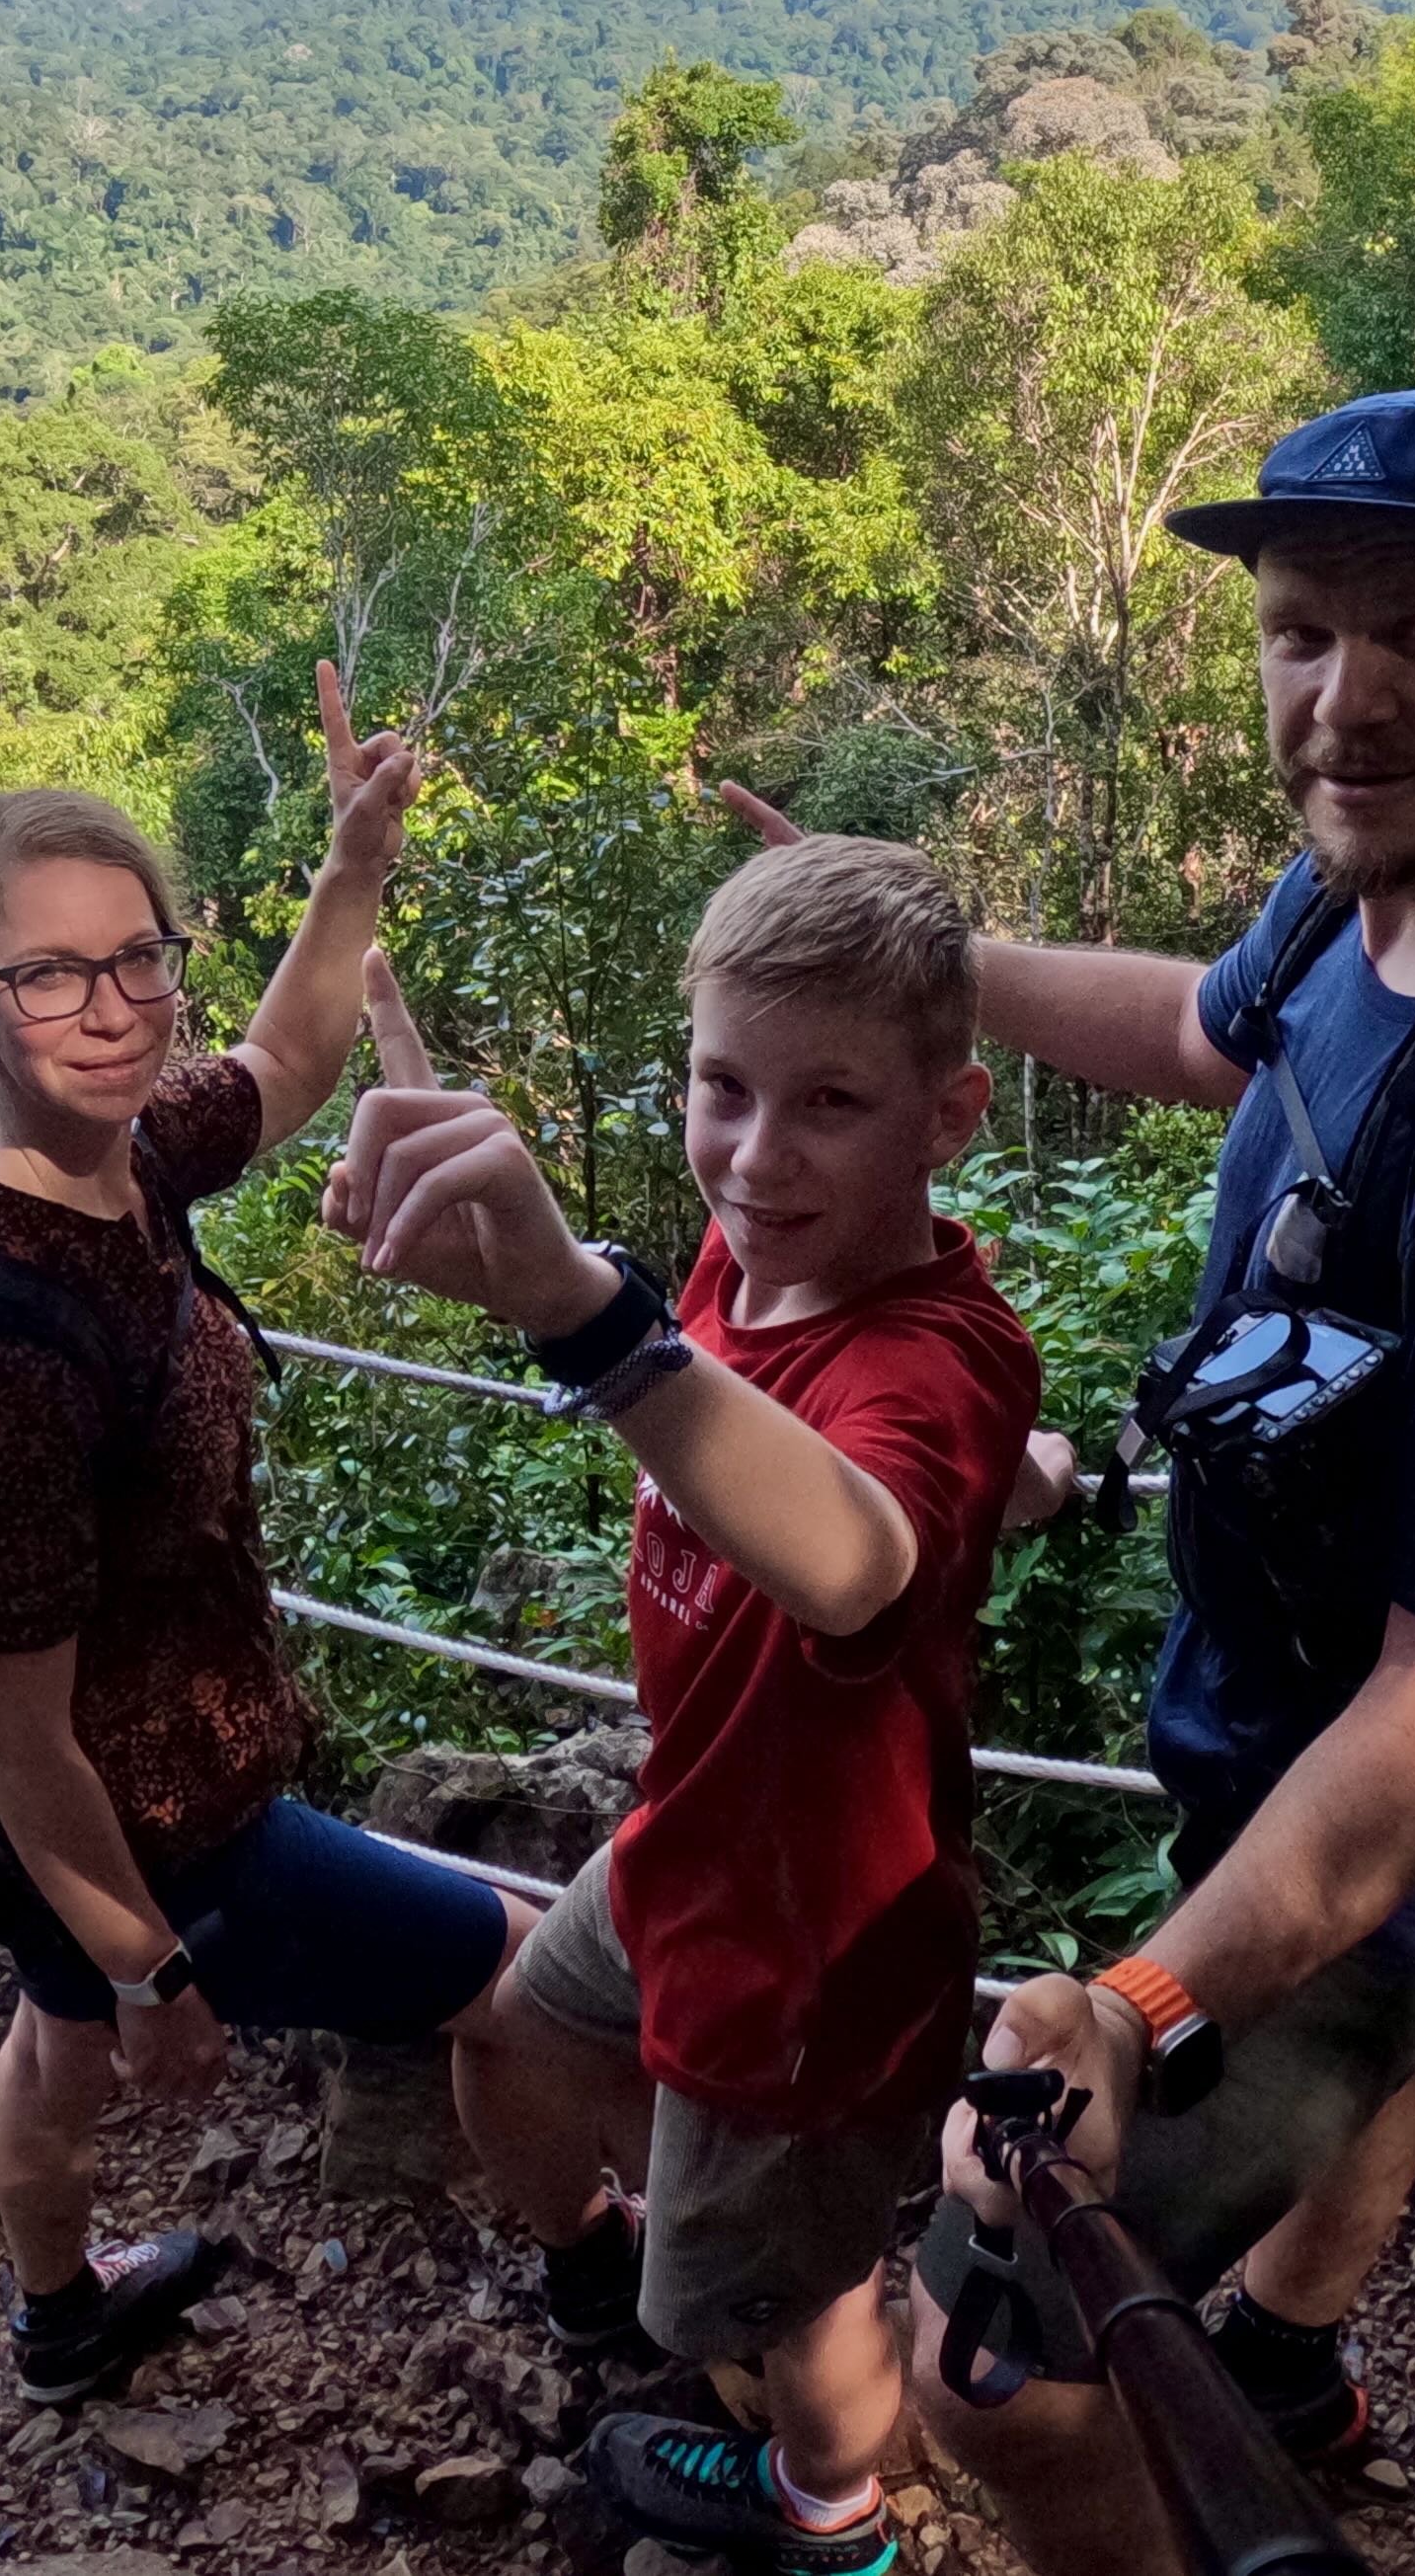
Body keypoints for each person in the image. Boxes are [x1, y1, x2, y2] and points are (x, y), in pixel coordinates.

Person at [740, 392, 1415, 2574]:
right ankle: (1288, 2353)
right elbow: (1214, 1035)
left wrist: (1143, 2004)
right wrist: (909, 968)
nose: (1344, 699)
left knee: (999, 2352)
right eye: (1300, 635)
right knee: (1350, 2046)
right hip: (1287, 1677)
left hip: (1413, 1777)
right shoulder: (1354, 889)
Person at [322, 839, 1042, 2576]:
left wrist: (581, 1312)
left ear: (947, 1118)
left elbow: (857, 1552)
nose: (756, 1154)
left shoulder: (919, 1357)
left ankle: (829, 2514)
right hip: (687, 1852)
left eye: (829, 1105)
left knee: (800, 2309)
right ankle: (620, 2267)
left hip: (805, 1940)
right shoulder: (748, 1270)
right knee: (504, 2020)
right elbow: (834, 1446)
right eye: (724, 1088)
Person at [0, 665, 557, 2407]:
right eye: (47, 973)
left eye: (136, 959)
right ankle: (614, 2277)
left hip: (82, 1840)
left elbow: (289, 1057)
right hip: (170, 1845)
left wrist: (352, 865)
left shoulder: (127, 1161)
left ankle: (55, 2314)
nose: (110, 1010)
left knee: (50, 2040)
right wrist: (151, 1961)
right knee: (518, 1976)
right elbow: (11, 1734)